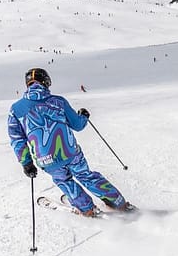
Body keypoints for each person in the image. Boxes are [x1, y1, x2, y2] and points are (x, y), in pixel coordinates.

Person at [7, 68, 135, 217]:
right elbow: (77, 125)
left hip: (46, 159)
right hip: (70, 152)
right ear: (46, 82)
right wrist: (84, 116)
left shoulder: (16, 109)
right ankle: (118, 203)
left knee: (64, 180)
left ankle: (87, 208)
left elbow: (17, 139)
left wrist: (26, 163)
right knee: (86, 176)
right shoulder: (58, 102)